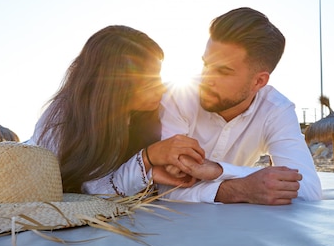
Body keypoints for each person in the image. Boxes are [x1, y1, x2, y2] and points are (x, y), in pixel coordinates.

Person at [158, 7, 323, 204]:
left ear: (258, 82)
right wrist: (238, 189)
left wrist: (218, 170)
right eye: (206, 64)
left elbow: (307, 189)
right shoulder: (179, 97)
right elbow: (164, 188)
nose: (206, 78)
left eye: (223, 71)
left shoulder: (276, 110)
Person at [27, 25, 211, 196]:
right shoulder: (61, 121)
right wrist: (148, 157)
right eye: (148, 81)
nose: (161, 89)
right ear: (114, 86)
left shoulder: (147, 113)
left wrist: (152, 172)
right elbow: (92, 191)